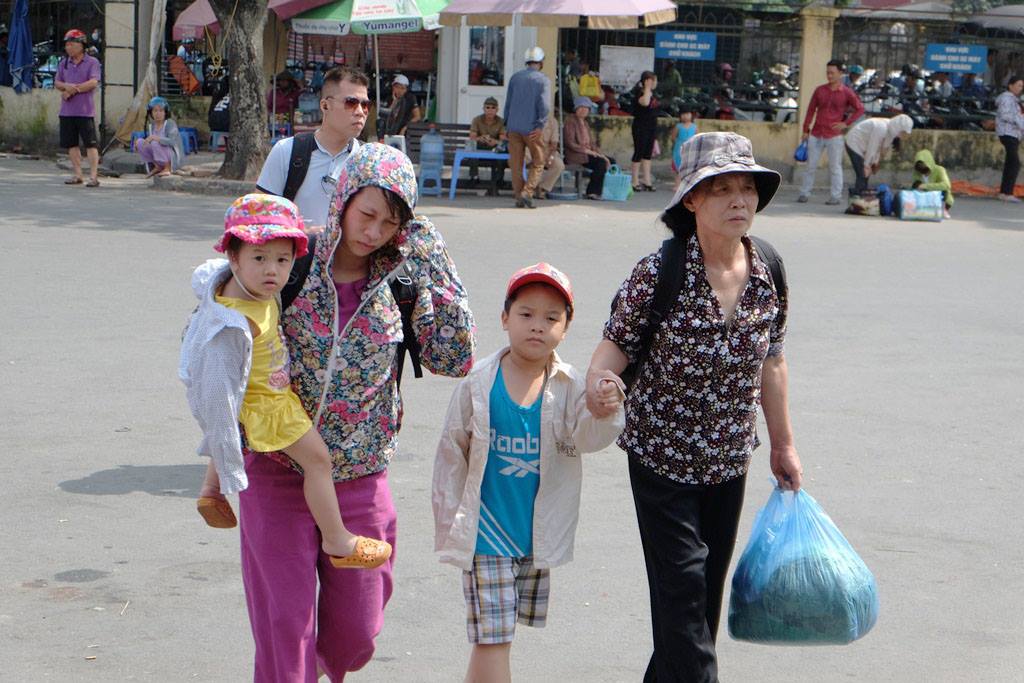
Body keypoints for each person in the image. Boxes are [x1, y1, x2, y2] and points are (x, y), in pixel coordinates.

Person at [241, 143, 475, 681]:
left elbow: (454, 357)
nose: (373, 232)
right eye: (366, 214)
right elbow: (222, 332)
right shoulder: (291, 261)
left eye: (390, 223)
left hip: (360, 481)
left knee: (357, 633)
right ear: (343, 199)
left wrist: (435, 258)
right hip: (276, 473)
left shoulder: (403, 282)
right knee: (284, 629)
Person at [586, 131, 803, 682]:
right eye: (721, 189)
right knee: (682, 588)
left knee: (700, 601)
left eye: (747, 189)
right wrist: (599, 383)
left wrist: (783, 445)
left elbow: (772, 361)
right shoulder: (660, 272)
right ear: (691, 200)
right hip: (661, 457)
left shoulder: (767, 271)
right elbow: (613, 348)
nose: (739, 201)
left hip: (730, 459)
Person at [180, 192, 393, 573]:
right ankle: (337, 539)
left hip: (261, 395)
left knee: (233, 426)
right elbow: (219, 395)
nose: (272, 272)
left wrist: (310, 232)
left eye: (282, 260)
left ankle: (209, 492)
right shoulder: (234, 323)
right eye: (259, 259)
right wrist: (231, 469)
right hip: (270, 404)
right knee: (319, 462)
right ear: (234, 257)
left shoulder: (238, 285)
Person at [433, 262, 625, 683]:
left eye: (551, 317)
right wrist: (452, 525)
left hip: (535, 536)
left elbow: (590, 438)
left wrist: (604, 409)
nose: (537, 326)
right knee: (493, 639)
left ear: (566, 327)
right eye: (525, 314)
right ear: (505, 319)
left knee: (496, 635)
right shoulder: (477, 383)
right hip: (486, 534)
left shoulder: (572, 385)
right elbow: (451, 453)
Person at [257, 66, 368, 226]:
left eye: (365, 105)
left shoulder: (368, 160)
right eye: (351, 103)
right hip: (295, 250)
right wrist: (301, 236)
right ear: (325, 106)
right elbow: (261, 216)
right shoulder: (287, 151)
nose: (360, 112)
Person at [798, 59, 864, 205]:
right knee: (810, 165)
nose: (829, 76)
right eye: (827, 73)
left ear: (840, 73)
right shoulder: (819, 90)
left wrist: (845, 124)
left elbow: (860, 109)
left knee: (835, 167)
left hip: (834, 135)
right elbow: (810, 110)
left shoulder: (847, 92)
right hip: (816, 132)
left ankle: (836, 196)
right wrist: (805, 129)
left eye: (832, 73)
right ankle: (804, 193)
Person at [54, 29, 102, 187]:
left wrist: (74, 90)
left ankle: (93, 176)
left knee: (91, 144)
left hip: (85, 111)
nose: (68, 47)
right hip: (67, 111)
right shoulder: (64, 63)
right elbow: (57, 83)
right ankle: (78, 174)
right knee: (71, 144)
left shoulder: (92, 62)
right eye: (67, 45)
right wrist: (66, 87)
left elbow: (94, 82)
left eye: (72, 44)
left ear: (82, 45)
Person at [504, 46, 551, 209]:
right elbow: (544, 105)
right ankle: (527, 192)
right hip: (532, 128)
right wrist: (540, 124)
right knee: (538, 161)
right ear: (541, 62)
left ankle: (519, 196)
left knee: (516, 164)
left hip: (513, 127)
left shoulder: (515, 78)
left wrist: (506, 125)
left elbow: (508, 104)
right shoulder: (543, 80)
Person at [843, 113, 913, 196]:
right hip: (853, 142)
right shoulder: (881, 128)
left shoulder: (890, 131)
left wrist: (874, 163)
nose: (903, 134)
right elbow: (872, 148)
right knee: (862, 173)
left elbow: (881, 149)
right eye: (903, 131)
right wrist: (866, 165)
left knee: (865, 174)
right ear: (898, 127)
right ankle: (858, 199)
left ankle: (862, 196)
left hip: (863, 145)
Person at [564, 96, 615, 200]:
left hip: (588, 153)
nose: (583, 110)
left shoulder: (585, 123)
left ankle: (603, 189)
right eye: (581, 107)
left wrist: (598, 153)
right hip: (576, 154)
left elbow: (591, 143)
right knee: (600, 163)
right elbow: (570, 143)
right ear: (576, 109)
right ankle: (592, 192)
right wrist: (587, 151)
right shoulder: (571, 121)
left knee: (611, 161)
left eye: (586, 108)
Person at [134, 96, 185, 178]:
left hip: (173, 158)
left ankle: (167, 168)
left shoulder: (170, 123)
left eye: (161, 111)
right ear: (151, 113)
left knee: (155, 142)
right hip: (159, 155)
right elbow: (150, 142)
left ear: (165, 112)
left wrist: (156, 138)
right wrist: (139, 145)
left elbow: (173, 142)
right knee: (140, 142)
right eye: (155, 111)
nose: (158, 114)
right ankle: (157, 166)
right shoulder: (152, 126)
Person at [994, 75, 1024, 203]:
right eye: (1018, 85)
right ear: (1010, 85)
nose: (1020, 88)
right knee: (1015, 163)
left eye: (1021, 86)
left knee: (1010, 163)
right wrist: (1018, 121)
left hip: (1013, 134)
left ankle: (1004, 192)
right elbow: (1005, 115)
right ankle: (1008, 192)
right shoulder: (1007, 98)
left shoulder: (1014, 99)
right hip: (1008, 133)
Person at [468, 96, 507, 189]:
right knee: (471, 148)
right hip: (480, 146)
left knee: (503, 150)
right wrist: (480, 138)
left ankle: (499, 179)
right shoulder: (477, 119)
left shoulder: (501, 121)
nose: (490, 110)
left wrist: (495, 142)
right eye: (487, 107)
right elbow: (472, 137)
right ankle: (474, 177)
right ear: (483, 109)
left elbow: (503, 138)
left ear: (497, 109)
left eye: (493, 108)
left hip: (494, 148)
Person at [630, 70, 659, 192]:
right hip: (640, 126)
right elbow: (645, 103)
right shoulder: (640, 93)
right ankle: (634, 180)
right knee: (639, 152)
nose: (655, 83)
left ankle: (647, 180)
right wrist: (646, 88)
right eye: (653, 80)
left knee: (647, 154)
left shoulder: (653, 94)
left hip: (651, 126)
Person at [525, 114, 565, 199]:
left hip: (546, 149)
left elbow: (554, 143)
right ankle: (527, 188)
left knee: (558, 165)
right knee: (525, 159)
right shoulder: (526, 117)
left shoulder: (552, 121)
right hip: (529, 148)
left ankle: (542, 188)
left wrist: (547, 155)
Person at [911, 150, 954, 218]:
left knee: (946, 193)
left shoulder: (940, 170)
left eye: (925, 169)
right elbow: (915, 185)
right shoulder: (916, 172)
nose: (924, 173)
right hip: (924, 197)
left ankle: (945, 209)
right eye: (920, 169)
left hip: (939, 194)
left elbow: (946, 185)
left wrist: (925, 186)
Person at [668, 109, 698, 190]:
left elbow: (697, 137)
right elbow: (673, 137)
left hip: (690, 149)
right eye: (683, 114)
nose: (685, 116)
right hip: (679, 148)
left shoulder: (694, 127)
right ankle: (677, 184)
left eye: (687, 114)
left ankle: (688, 184)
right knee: (678, 166)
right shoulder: (678, 126)